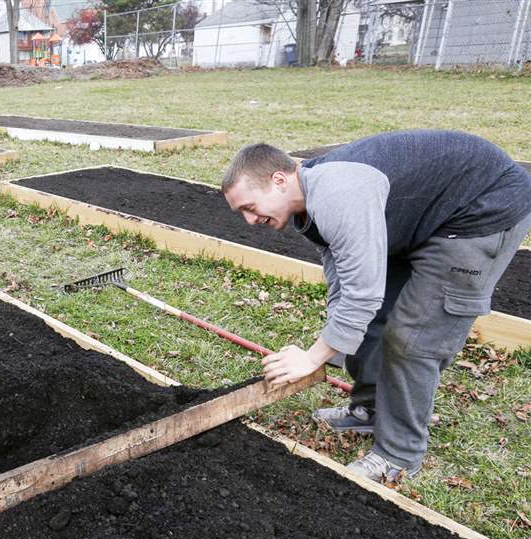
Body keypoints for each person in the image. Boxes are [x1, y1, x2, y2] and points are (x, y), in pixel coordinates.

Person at [221, 130, 531, 482]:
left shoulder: (338, 193)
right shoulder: (308, 205)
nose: (249, 220)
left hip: (480, 209)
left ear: (278, 180)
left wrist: (312, 357)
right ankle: (369, 410)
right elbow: (345, 284)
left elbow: (362, 295)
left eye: (249, 206)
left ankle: (399, 455)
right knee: (372, 319)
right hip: (425, 217)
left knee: (413, 338)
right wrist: (330, 348)